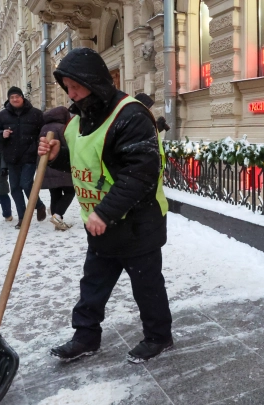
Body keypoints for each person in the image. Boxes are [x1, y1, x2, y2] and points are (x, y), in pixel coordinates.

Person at [39, 47, 173, 364]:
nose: (71, 94)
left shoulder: (131, 115)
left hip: (138, 223)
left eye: (76, 87)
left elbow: (140, 173)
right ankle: (85, 338)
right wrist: (59, 153)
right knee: (93, 285)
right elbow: (86, 161)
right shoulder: (78, 121)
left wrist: (105, 212)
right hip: (99, 223)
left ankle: (159, 337)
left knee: (147, 285)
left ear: (95, 82)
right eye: (67, 88)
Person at [0, 86, 46, 229]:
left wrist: (37, 146)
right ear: (9, 100)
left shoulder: (35, 113)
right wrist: (1, 134)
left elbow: (44, 131)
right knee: (15, 188)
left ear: (22, 97)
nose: (15, 99)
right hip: (12, 157)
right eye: (12, 97)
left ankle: (39, 205)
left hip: (29, 155)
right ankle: (22, 218)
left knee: (26, 184)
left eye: (17, 96)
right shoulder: (3, 115)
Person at [39, 106, 74, 231]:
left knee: (55, 193)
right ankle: (58, 216)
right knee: (70, 191)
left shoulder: (44, 127)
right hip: (61, 167)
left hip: (47, 167)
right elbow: (68, 146)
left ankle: (57, 220)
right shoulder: (63, 128)